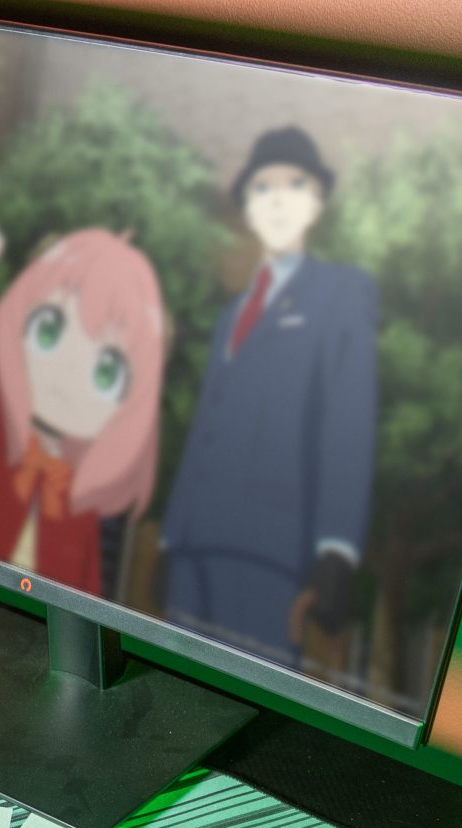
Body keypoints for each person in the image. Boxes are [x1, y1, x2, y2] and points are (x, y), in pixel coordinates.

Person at [158, 126, 378, 663]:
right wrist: (171, 538)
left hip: (268, 553)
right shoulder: (233, 313)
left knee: (248, 692)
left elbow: (348, 424)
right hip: (193, 547)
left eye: (295, 185)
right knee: (173, 681)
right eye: (262, 187)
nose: (277, 199)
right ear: (247, 207)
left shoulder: (341, 294)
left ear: (317, 203)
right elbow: (207, 425)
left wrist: (335, 550)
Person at [0, 146, 167, 597]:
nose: (69, 371)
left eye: (106, 373)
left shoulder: (80, 497)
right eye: (48, 329)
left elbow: (86, 594)